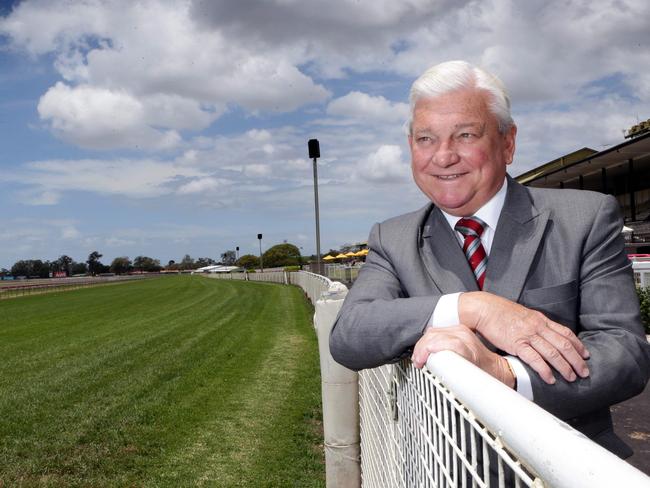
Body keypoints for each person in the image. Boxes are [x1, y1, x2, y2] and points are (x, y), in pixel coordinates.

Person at [329, 60, 650, 457]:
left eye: (465, 135)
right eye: (426, 139)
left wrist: (506, 374)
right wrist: (472, 308)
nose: (443, 157)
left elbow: (625, 355)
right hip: (440, 471)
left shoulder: (585, 218)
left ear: (507, 143)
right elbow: (350, 335)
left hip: (565, 464)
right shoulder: (392, 238)